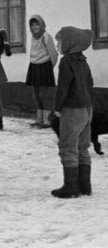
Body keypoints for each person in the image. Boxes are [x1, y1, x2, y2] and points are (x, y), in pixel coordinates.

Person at [50, 26, 94, 199]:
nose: (57, 45)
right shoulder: (83, 61)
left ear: (69, 43)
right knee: (83, 147)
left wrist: (57, 107)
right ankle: (85, 186)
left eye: (59, 41)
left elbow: (63, 88)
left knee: (68, 147)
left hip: (72, 110)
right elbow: (89, 82)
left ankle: (71, 187)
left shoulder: (66, 62)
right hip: (87, 109)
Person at [26, 15, 58, 129]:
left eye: (37, 24)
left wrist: (49, 67)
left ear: (42, 24)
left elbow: (54, 54)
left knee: (45, 95)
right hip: (34, 66)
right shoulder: (33, 37)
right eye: (32, 25)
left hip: (44, 67)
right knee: (36, 94)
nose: (35, 27)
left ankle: (47, 120)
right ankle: (39, 119)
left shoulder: (46, 36)